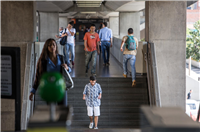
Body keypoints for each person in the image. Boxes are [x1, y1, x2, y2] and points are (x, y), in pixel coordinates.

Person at [29, 38, 71, 103]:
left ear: (56, 46)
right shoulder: (43, 61)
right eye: (50, 45)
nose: (52, 47)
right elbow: (38, 76)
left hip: (61, 87)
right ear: (46, 47)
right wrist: (33, 91)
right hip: (49, 88)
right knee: (52, 110)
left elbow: (69, 70)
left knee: (62, 110)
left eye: (54, 45)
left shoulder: (61, 58)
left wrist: (67, 68)